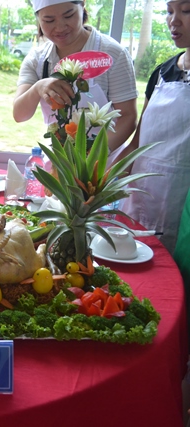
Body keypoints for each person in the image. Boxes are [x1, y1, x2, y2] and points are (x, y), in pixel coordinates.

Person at [13, 0, 138, 153]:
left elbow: (127, 116)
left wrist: (93, 156)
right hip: (60, 159)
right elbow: (19, 114)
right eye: (49, 20)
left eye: (69, 15)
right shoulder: (37, 60)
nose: (60, 27)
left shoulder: (112, 53)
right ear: (38, 19)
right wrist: (38, 88)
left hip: (104, 159)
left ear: (82, 7)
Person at [120, 0, 190, 253]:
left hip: (181, 207)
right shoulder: (161, 73)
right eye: (169, 11)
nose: (174, 20)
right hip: (140, 198)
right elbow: (137, 144)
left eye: (186, 10)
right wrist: (99, 182)